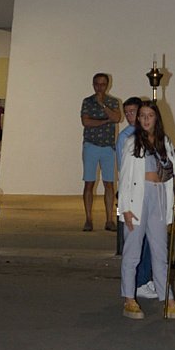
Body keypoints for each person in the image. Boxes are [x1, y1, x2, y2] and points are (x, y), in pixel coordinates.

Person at [118, 101, 175, 319]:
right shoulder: (132, 142)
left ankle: (169, 301)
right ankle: (129, 299)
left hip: (159, 199)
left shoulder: (164, 142)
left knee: (160, 252)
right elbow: (124, 176)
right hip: (138, 200)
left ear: (156, 118)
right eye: (142, 115)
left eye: (150, 115)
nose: (145, 119)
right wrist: (125, 208)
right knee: (132, 252)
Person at [115, 96, 154, 297]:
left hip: (148, 194)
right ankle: (137, 284)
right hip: (133, 196)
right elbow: (125, 172)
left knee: (149, 242)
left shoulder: (150, 135)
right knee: (135, 244)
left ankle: (145, 279)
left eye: (134, 112)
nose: (130, 116)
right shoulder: (126, 138)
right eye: (127, 112)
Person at [80, 72, 122, 232]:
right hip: (91, 146)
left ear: (108, 85)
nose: (100, 87)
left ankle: (109, 219)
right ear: (93, 85)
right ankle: (88, 219)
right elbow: (86, 122)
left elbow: (117, 118)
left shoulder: (113, 102)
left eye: (103, 84)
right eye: (97, 84)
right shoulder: (87, 101)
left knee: (109, 184)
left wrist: (103, 105)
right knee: (89, 183)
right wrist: (105, 120)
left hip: (108, 147)